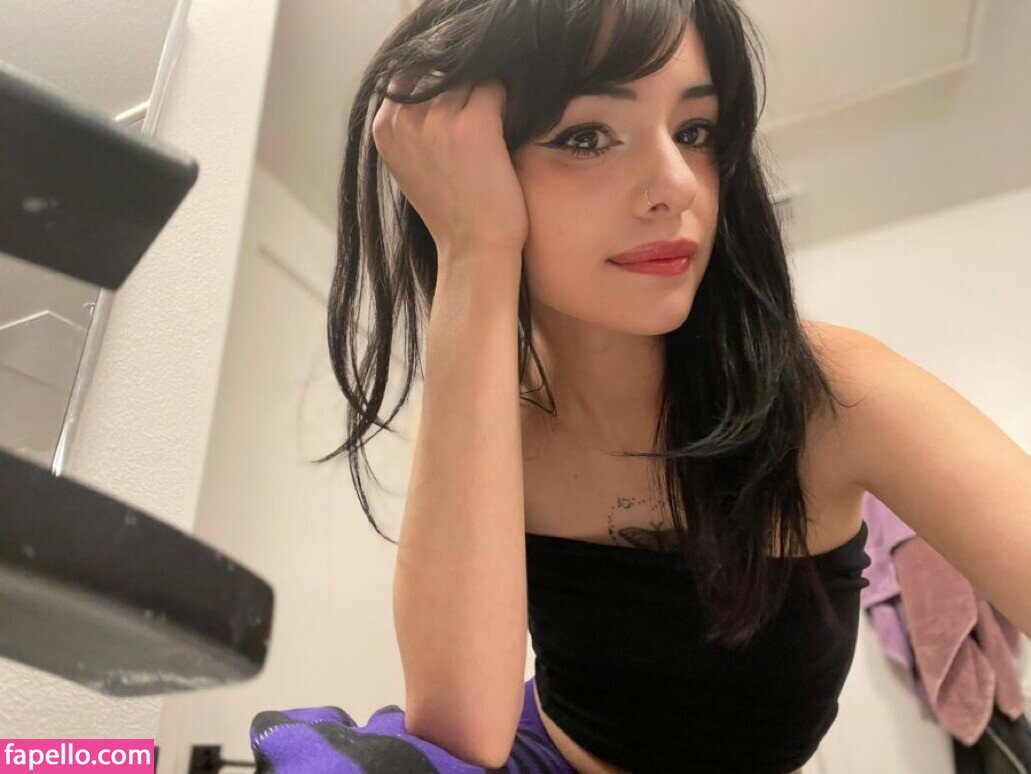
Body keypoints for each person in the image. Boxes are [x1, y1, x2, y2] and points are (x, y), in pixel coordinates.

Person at [250, 1, 1031, 771]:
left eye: (694, 132)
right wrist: (473, 249)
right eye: (586, 137)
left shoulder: (831, 391)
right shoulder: (498, 416)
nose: (675, 185)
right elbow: (461, 735)